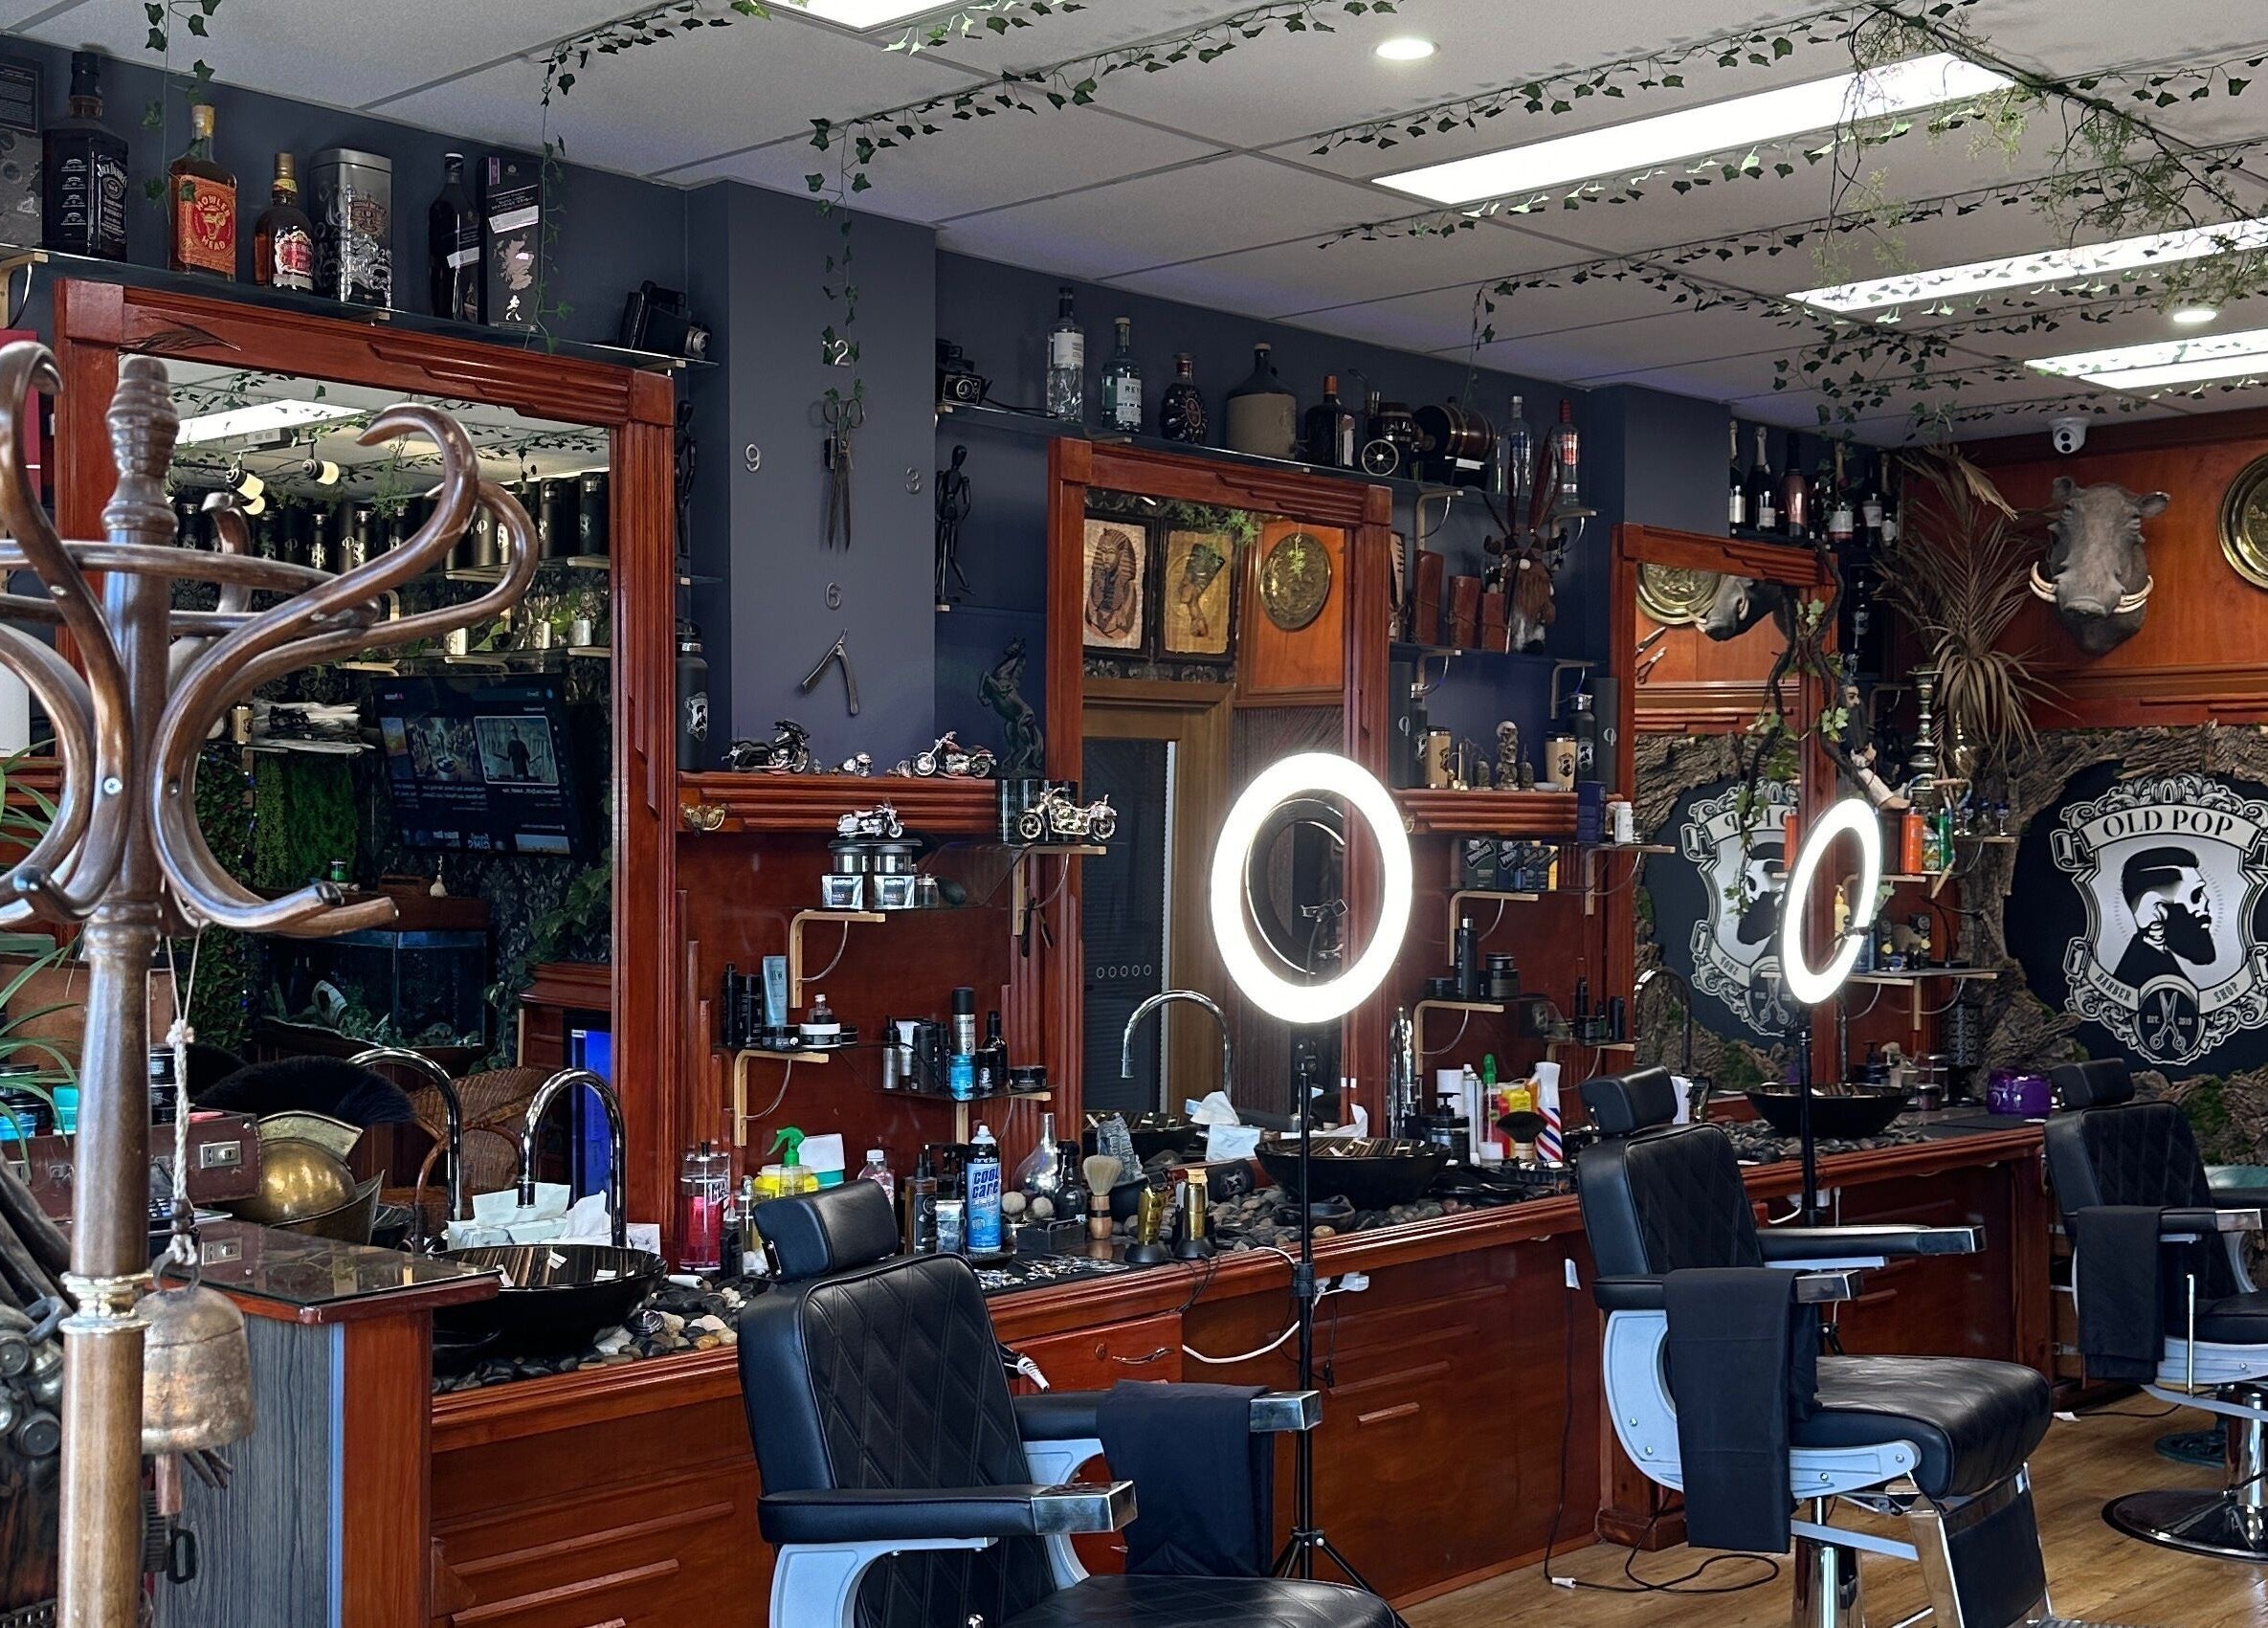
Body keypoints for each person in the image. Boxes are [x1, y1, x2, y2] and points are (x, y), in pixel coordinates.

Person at [2115, 845, 2217, 990]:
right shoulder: (2143, 977)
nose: (2206, 902)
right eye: (2196, 895)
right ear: (2153, 910)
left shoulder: (2156, 965)